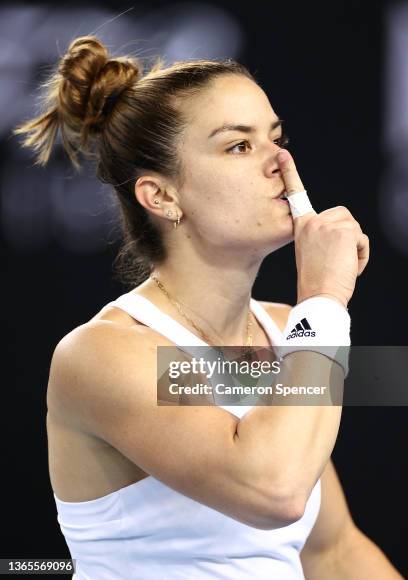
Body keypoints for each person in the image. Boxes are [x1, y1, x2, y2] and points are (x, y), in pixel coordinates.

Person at [14, 35, 402, 579]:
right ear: (162, 197)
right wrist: (324, 299)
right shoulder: (102, 355)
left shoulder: (287, 330)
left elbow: (332, 552)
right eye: (238, 146)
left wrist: (312, 314)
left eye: (276, 137)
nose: (281, 162)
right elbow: (275, 490)